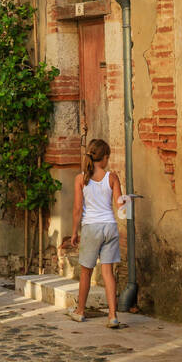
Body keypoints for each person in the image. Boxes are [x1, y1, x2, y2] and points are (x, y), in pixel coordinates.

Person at [68, 138, 124, 328]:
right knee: (108, 272)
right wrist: (128, 202)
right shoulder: (112, 178)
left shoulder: (81, 179)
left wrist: (74, 231)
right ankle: (113, 316)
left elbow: (77, 208)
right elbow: (120, 205)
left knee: (86, 272)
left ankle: (80, 311)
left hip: (91, 228)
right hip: (110, 226)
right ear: (105, 157)